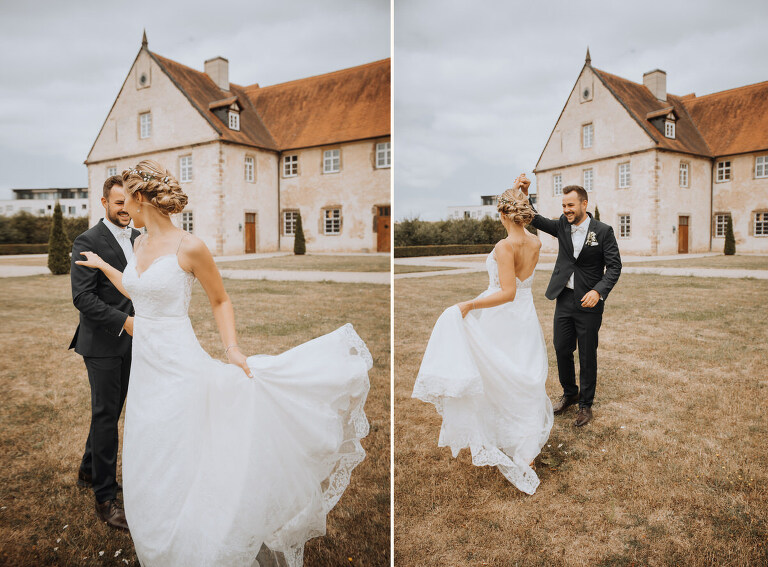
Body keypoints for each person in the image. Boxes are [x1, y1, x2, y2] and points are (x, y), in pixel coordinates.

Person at [75, 160, 372, 567]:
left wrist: (232, 347)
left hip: (178, 358)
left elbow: (220, 299)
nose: (126, 209)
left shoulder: (190, 246)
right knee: (150, 442)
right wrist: (106, 266)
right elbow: (136, 288)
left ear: (142, 199)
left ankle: (199, 528)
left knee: (185, 440)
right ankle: (159, 526)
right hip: (147, 361)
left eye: (129, 200)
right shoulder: (139, 244)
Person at [412, 181, 553, 495]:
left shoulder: (505, 246)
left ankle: (517, 445)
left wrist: (469, 305)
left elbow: (507, 292)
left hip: (502, 315)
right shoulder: (536, 242)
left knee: (497, 373)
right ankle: (523, 447)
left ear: (504, 214)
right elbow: (520, 288)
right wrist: (518, 190)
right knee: (520, 375)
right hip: (524, 317)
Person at [520, 175, 621, 427]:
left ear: (584, 204)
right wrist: (525, 193)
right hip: (564, 298)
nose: (566, 210)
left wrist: (598, 291)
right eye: (564, 206)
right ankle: (569, 393)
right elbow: (534, 217)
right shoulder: (562, 226)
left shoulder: (603, 231)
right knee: (561, 348)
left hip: (589, 303)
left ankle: (586, 405)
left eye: (570, 206)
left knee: (587, 354)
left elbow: (615, 267)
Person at [69, 175, 139, 530]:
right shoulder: (87, 240)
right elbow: (83, 298)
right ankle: (105, 497)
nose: (125, 208)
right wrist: (123, 322)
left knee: (109, 411)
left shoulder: (142, 238)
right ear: (104, 203)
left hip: (135, 341)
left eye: (129, 201)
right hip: (101, 343)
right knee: (107, 415)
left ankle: (87, 471)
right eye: (117, 203)